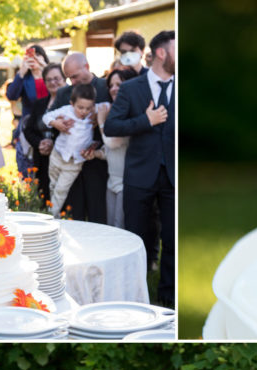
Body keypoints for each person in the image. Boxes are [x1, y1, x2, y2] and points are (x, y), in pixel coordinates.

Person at [103, 29, 175, 307]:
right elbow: (112, 126)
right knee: (135, 239)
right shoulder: (132, 88)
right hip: (140, 175)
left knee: (171, 239)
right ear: (161, 53)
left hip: (173, 176)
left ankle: (167, 297)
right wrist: (146, 120)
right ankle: (134, 296)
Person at [43, 82, 100, 220]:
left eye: (88, 108)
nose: (84, 111)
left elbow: (107, 107)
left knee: (62, 189)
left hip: (74, 162)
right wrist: (55, 123)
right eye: (80, 107)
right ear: (72, 103)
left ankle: (51, 217)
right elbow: (46, 117)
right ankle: (52, 210)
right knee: (53, 185)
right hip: (58, 155)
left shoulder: (93, 113)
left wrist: (98, 116)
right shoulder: (66, 110)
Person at [98, 67, 137, 228]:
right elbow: (110, 151)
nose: (114, 88)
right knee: (110, 225)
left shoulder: (130, 112)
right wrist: (96, 153)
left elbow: (113, 142)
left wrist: (101, 121)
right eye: (111, 85)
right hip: (111, 179)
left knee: (119, 226)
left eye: (119, 84)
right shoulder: (112, 110)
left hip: (125, 182)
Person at [22, 62, 65, 208]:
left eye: (57, 78)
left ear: (64, 79)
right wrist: (40, 143)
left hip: (61, 159)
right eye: (49, 79)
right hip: (41, 158)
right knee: (43, 198)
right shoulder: (39, 104)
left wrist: (52, 143)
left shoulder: (70, 103)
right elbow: (28, 129)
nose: (53, 82)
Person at [6, 44, 48, 177]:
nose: (34, 59)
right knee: (28, 174)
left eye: (38, 55)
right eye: (31, 56)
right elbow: (11, 95)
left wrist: (45, 68)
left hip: (50, 128)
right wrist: (21, 72)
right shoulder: (25, 79)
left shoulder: (51, 76)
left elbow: (61, 91)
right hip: (29, 131)